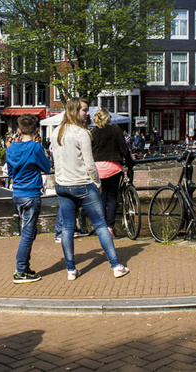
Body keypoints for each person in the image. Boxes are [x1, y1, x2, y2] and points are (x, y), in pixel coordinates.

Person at [49, 99, 130, 281]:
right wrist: (97, 184)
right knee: (100, 224)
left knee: (67, 227)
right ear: (76, 112)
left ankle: (71, 270)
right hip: (82, 184)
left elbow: (57, 162)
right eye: (84, 111)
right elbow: (90, 164)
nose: (87, 114)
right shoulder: (82, 133)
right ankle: (116, 266)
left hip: (62, 185)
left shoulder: (56, 133)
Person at [7, 115, 54, 283]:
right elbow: (47, 167)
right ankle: (19, 271)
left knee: (30, 231)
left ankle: (25, 266)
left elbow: (11, 172)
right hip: (31, 194)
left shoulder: (10, 148)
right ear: (35, 131)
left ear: (18, 131)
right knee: (27, 234)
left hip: (17, 193)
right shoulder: (36, 147)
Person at [89, 108, 132, 236]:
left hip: (98, 170)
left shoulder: (93, 133)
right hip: (114, 168)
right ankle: (110, 227)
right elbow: (124, 149)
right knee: (112, 198)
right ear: (108, 118)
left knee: (101, 198)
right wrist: (129, 163)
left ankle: (101, 228)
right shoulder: (115, 130)